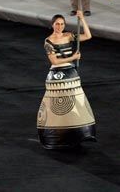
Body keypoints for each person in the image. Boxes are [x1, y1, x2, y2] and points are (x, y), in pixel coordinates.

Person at [38, 12, 95, 149]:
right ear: (52, 25)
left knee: (77, 102)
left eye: (62, 24)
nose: (60, 26)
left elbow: (88, 36)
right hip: (57, 74)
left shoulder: (69, 36)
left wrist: (82, 19)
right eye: (57, 24)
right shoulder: (48, 41)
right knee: (56, 106)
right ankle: (55, 137)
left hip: (71, 73)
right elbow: (54, 61)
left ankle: (81, 133)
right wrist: (73, 57)